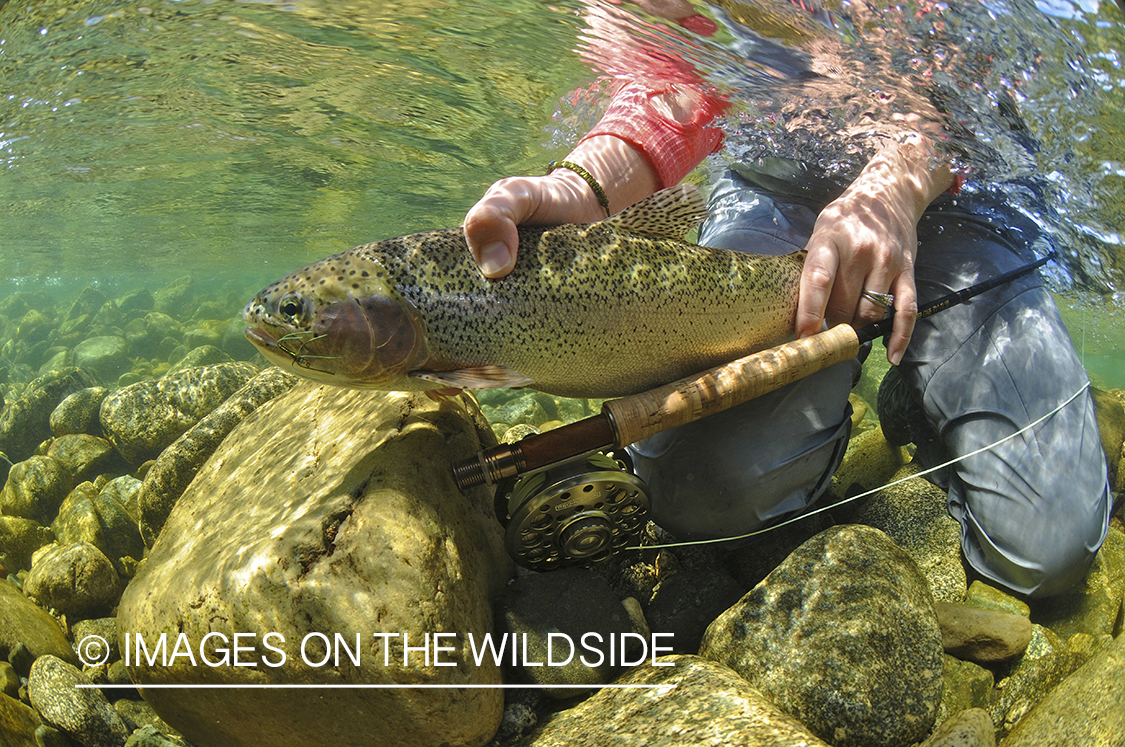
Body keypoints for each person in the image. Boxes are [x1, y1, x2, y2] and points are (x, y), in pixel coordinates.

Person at [461, 2, 1111, 598]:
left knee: (1048, 547)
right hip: (781, 178)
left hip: (966, 198)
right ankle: (827, 417)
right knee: (694, 494)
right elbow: (672, 72)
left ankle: (913, 402)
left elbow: (976, 75)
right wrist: (587, 188)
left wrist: (893, 189)